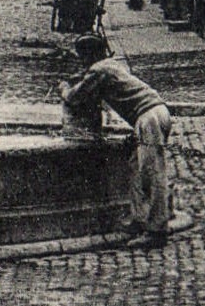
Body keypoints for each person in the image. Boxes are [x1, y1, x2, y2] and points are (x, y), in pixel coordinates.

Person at [59, 32, 174, 245]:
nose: (81, 60)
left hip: (147, 118)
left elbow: (75, 97)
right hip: (157, 113)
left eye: (82, 56)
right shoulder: (112, 64)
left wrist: (65, 88)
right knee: (136, 167)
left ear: (89, 55)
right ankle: (140, 219)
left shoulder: (99, 69)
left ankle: (157, 231)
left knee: (151, 172)